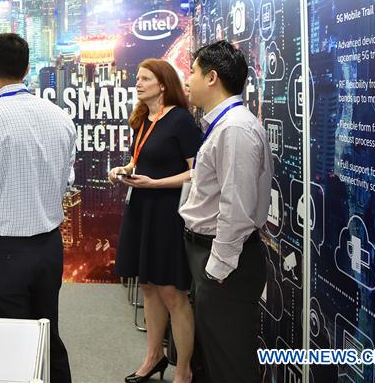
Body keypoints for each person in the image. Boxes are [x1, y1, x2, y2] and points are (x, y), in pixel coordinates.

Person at [0, 33, 75, 383]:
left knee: (6, 341)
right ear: (27, 68)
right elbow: (65, 182)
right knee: (46, 329)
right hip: (50, 247)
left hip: (4, 251)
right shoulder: (60, 117)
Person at [180, 40, 272, 383]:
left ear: (212, 78)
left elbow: (237, 209)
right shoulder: (223, 125)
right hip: (213, 259)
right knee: (219, 358)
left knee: (230, 365)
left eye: (193, 72)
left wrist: (215, 271)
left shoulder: (235, 129)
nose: (187, 80)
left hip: (225, 265)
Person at [108, 59, 200, 383]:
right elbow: (140, 160)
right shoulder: (142, 119)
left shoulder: (180, 120)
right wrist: (125, 170)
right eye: (137, 77)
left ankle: (184, 371)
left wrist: (156, 184)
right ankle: (153, 357)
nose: (137, 83)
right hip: (141, 210)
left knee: (173, 293)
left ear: (162, 84)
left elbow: (197, 171)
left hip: (167, 213)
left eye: (144, 78)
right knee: (147, 286)